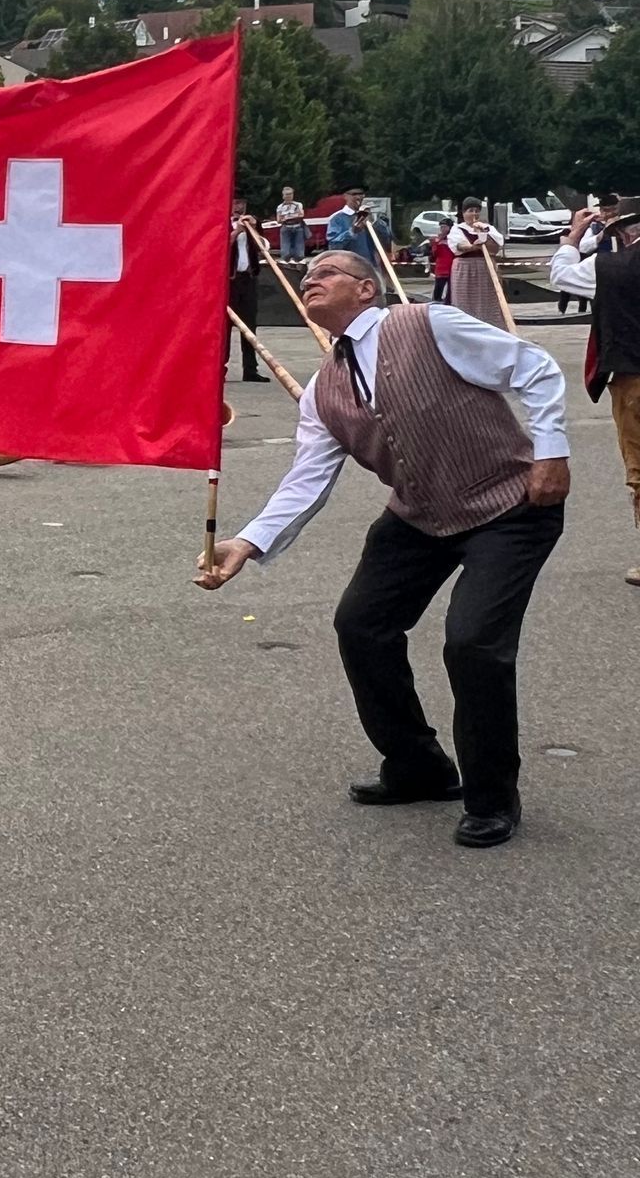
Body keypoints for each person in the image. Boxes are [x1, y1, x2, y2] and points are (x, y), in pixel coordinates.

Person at [197, 241, 569, 848]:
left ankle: (493, 797)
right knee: (362, 624)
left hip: (511, 506)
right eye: (306, 274)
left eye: (326, 272)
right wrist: (248, 541)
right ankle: (418, 767)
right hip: (419, 515)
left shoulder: (427, 323)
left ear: (366, 288)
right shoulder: (323, 389)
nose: (310, 280)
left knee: (473, 644)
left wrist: (551, 453)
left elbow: (535, 369)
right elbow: (307, 480)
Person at [549, 201, 640, 585]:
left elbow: (562, 275)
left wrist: (572, 237)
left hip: (634, 377)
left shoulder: (612, 268)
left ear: (626, 232)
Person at [447, 200, 509, 329]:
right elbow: (459, 245)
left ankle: (492, 328)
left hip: (485, 267)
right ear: (463, 213)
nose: (474, 214)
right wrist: (473, 246)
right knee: (465, 301)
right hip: (465, 268)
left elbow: (497, 245)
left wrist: (484, 231)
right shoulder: (457, 229)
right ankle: (465, 328)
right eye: (470, 211)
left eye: (476, 210)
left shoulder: (488, 228)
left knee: (489, 300)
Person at [227, 196, 265, 383]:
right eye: (236, 202)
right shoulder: (221, 224)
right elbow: (217, 248)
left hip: (248, 279)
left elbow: (263, 247)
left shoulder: (253, 224)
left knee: (250, 326)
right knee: (224, 328)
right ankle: (220, 370)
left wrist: (253, 228)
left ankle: (250, 370)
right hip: (228, 282)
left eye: (242, 203)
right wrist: (236, 233)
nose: (239, 207)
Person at [325, 191, 392, 279]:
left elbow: (386, 240)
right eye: (354, 194)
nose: (358, 197)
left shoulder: (372, 218)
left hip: (370, 268)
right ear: (345, 196)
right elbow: (334, 246)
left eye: (361, 194)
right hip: (348, 270)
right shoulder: (337, 218)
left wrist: (374, 221)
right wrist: (352, 232)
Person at [274, 186, 306, 263]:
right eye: (287, 194)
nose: (289, 196)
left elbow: (301, 215)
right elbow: (278, 220)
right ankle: (286, 260)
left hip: (297, 226)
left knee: (299, 246)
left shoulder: (298, 205)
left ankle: (299, 260)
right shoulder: (280, 207)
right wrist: (287, 218)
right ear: (283, 196)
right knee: (285, 247)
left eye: (290, 194)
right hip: (286, 227)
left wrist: (289, 217)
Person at [428, 219, 457, 305]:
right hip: (441, 268)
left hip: (452, 267)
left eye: (445, 227)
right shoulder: (438, 239)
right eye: (441, 227)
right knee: (438, 290)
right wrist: (435, 243)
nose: (442, 229)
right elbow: (434, 254)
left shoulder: (454, 238)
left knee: (451, 291)